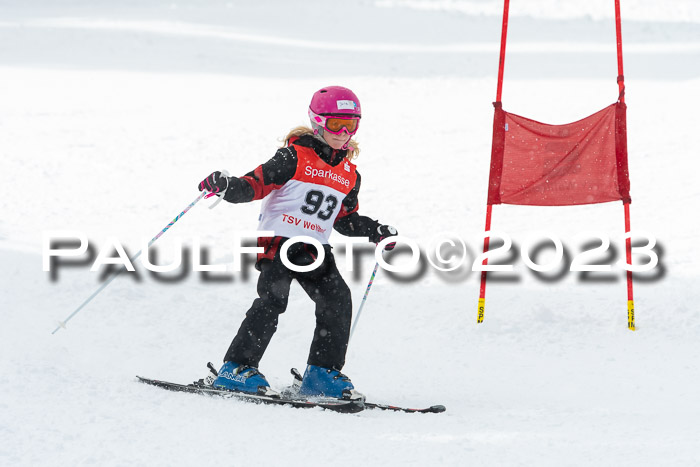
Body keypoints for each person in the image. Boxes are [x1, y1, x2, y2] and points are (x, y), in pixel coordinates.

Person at [197, 86, 397, 401]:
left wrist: (376, 231)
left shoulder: (349, 173)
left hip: (314, 246)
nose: (343, 133)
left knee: (337, 299)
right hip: (278, 240)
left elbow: (343, 219)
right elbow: (255, 184)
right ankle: (236, 369)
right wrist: (226, 186)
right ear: (317, 122)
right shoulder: (293, 156)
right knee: (273, 300)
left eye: (351, 125)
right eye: (335, 124)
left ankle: (321, 373)